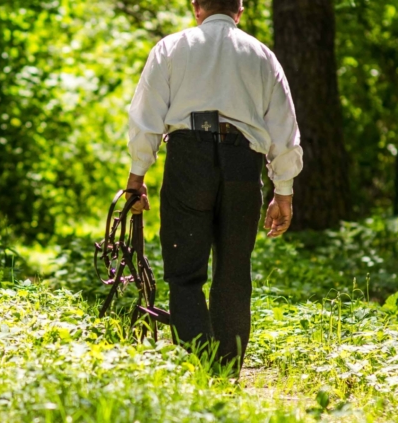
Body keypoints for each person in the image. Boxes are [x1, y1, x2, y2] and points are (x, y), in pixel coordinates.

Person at [124, 0, 303, 374]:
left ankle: (200, 366)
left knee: (185, 271)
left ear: (196, 8)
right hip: (243, 162)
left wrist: (136, 177)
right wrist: (282, 190)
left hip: (188, 159)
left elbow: (146, 117)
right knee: (234, 271)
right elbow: (284, 127)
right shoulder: (262, 56)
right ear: (239, 11)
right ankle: (226, 370)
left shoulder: (172, 48)